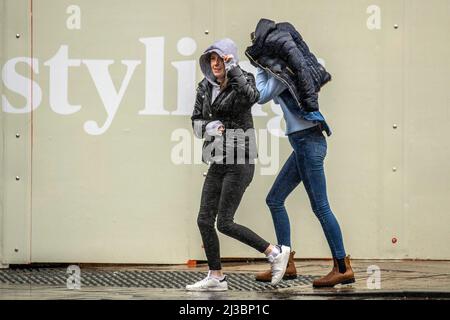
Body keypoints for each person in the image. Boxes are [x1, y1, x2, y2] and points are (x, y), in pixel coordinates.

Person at [246, 19, 355, 287]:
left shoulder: (285, 74)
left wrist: (259, 68)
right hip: (303, 144)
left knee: (321, 206)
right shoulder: (286, 71)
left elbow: (260, 95)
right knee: (274, 199)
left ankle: (342, 266)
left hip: (309, 143)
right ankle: (286, 261)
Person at [186, 38, 290, 292]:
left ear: (229, 59)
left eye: (220, 59)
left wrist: (234, 71)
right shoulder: (204, 87)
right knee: (203, 220)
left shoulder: (243, 80)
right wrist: (209, 127)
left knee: (225, 222)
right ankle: (216, 276)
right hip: (217, 158)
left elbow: (252, 97)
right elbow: (196, 121)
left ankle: (274, 251)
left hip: (240, 159)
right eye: (212, 59)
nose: (216, 64)